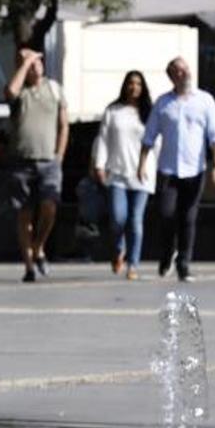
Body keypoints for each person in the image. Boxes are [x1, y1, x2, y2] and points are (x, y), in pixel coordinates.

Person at [138, 57, 215, 282]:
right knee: (166, 214)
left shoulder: (205, 101)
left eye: (185, 68)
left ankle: (184, 263)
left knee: (188, 217)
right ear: (171, 76)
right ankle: (167, 253)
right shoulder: (163, 103)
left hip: (195, 170)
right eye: (178, 70)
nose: (184, 73)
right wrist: (142, 164)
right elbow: (149, 135)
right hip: (168, 169)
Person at [5, 45, 69, 283]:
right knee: (24, 214)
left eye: (38, 62)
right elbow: (10, 91)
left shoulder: (54, 89)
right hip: (21, 160)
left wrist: (59, 155)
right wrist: (24, 62)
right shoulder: (20, 91)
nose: (35, 66)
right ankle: (29, 265)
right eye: (30, 64)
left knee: (49, 206)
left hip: (48, 160)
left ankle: (38, 245)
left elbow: (64, 125)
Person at [92, 70, 156, 280]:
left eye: (138, 84)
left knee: (136, 219)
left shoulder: (149, 113)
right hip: (117, 173)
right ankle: (119, 249)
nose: (134, 87)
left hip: (142, 174)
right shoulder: (113, 111)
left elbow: (158, 142)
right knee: (118, 218)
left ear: (143, 87)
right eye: (131, 83)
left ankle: (133, 265)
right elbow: (102, 139)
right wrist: (99, 165)